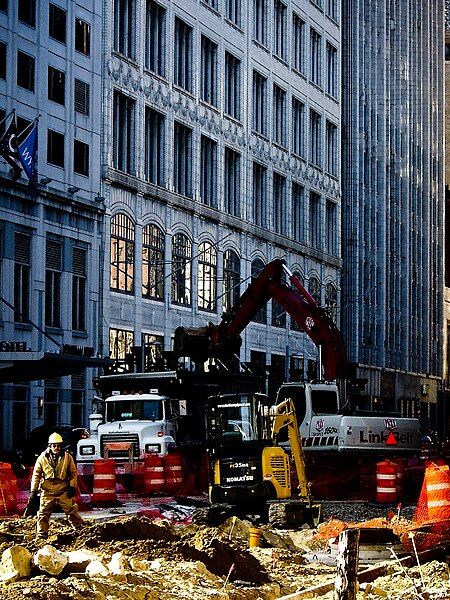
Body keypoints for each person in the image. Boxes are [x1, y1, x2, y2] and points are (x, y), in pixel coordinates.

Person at [30, 432, 84, 540]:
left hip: (63, 489)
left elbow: (73, 473)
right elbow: (36, 474)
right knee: (43, 513)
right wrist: (33, 491)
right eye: (54, 445)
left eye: (58, 445)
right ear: (49, 446)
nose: (56, 448)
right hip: (47, 490)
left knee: (71, 510)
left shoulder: (67, 457)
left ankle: (80, 530)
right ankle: (42, 535)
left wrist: (72, 486)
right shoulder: (42, 458)